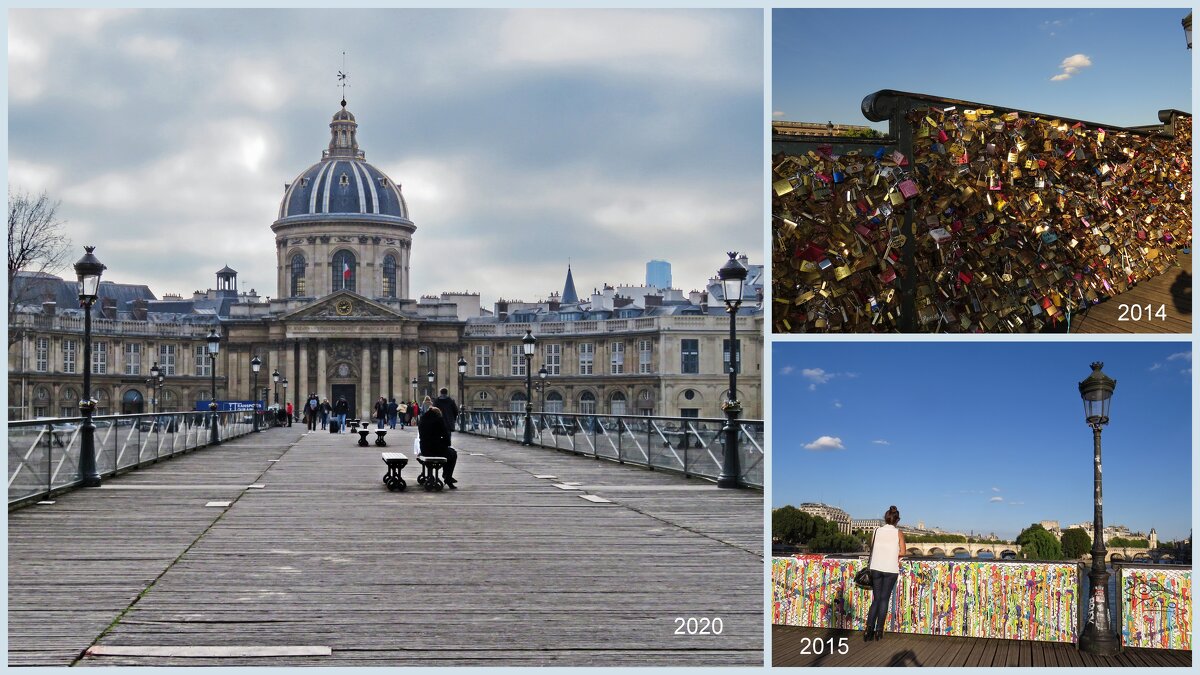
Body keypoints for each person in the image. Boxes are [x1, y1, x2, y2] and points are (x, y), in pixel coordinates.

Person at [865, 505, 905, 642]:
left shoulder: (876, 531)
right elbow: (903, 552)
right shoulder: (898, 533)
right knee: (884, 600)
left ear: (886, 518)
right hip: (890, 569)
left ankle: (868, 630)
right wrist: (893, 552)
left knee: (876, 599)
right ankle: (879, 631)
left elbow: (873, 547)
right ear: (897, 520)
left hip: (876, 568)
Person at [418, 406, 457, 489]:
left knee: (448, 452)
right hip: (435, 449)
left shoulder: (422, 420)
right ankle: (447, 477)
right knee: (453, 454)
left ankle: (444, 476)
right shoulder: (439, 420)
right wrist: (445, 444)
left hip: (424, 449)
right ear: (438, 414)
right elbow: (446, 437)